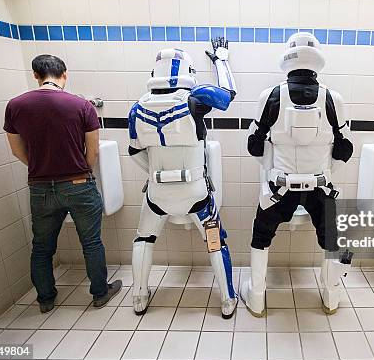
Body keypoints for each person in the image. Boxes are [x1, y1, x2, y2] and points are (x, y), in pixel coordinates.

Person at [241, 32, 354, 316]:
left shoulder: (270, 96)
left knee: (261, 236)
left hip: (278, 190)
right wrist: (325, 171)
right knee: (331, 240)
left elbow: (254, 146)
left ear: (287, 61)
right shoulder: (333, 99)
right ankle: (331, 295)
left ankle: (256, 296)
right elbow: (345, 150)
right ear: (317, 61)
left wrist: (272, 168)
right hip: (320, 189)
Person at [128, 38, 238, 318]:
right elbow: (228, 94)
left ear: (154, 73)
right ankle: (227, 298)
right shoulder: (196, 99)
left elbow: (134, 152)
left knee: (143, 239)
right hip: (195, 195)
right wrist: (221, 60)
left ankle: (139, 296)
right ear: (188, 71)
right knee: (216, 241)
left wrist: (156, 176)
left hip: (157, 196)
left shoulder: (136, 109)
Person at [4, 54, 122, 313]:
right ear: (64, 74)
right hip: (79, 183)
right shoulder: (81, 106)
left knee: (42, 246)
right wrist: (80, 172)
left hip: (40, 188)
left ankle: (46, 299)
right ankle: (100, 293)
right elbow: (92, 151)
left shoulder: (15, 106)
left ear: (35, 75)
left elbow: (16, 150)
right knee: (91, 242)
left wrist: (41, 169)